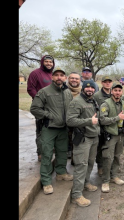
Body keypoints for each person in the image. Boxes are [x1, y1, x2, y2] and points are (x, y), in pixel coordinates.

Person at [30, 67, 73, 195]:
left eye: (61, 75)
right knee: (47, 154)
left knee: (62, 152)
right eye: (56, 75)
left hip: (63, 129)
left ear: (65, 78)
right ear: (52, 77)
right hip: (49, 128)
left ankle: (61, 173)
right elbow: (34, 109)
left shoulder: (67, 92)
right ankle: (46, 181)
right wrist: (49, 115)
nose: (59, 77)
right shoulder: (44, 92)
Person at [66, 80, 100, 207]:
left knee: (90, 163)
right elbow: (70, 121)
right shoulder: (77, 102)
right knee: (81, 165)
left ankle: (86, 183)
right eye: (87, 88)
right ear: (83, 88)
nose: (90, 90)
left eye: (92, 88)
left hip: (94, 137)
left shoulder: (92, 100)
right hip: (83, 139)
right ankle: (76, 195)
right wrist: (89, 121)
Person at [99, 82, 124, 192]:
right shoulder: (105, 104)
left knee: (117, 156)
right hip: (110, 135)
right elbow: (102, 120)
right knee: (108, 158)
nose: (117, 92)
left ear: (122, 92)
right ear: (112, 92)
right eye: (115, 90)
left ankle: (114, 176)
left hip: (121, 134)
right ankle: (106, 181)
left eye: (119, 91)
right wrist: (117, 118)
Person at [27, 55, 55, 162]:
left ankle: (50, 150)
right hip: (41, 107)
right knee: (41, 130)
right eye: (46, 62)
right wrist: (41, 100)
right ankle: (41, 153)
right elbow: (30, 89)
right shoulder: (35, 73)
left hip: (52, 107)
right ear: (42, 62)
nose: (49, 64)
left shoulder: (52, 74)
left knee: (50, 129)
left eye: (50, 62)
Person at [93, 75, 113, 177]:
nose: (107, 83)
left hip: (112, 125)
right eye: (105, 82)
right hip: (101, 125)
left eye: (109, 81)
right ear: (102, 83)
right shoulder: (97, 96)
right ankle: (100, 166)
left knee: (109, 147)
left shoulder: (114, 94)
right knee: (100, 147)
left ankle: (109, 166)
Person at [66, 72, 82, 164]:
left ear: (80, 80)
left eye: (76, 79)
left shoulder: (83, 91)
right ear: (68, 79)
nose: (74, 80)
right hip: (64, 121)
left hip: (78, 122)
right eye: (72, 78)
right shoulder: (63, 90)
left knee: (76, 143)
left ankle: (74, 160)